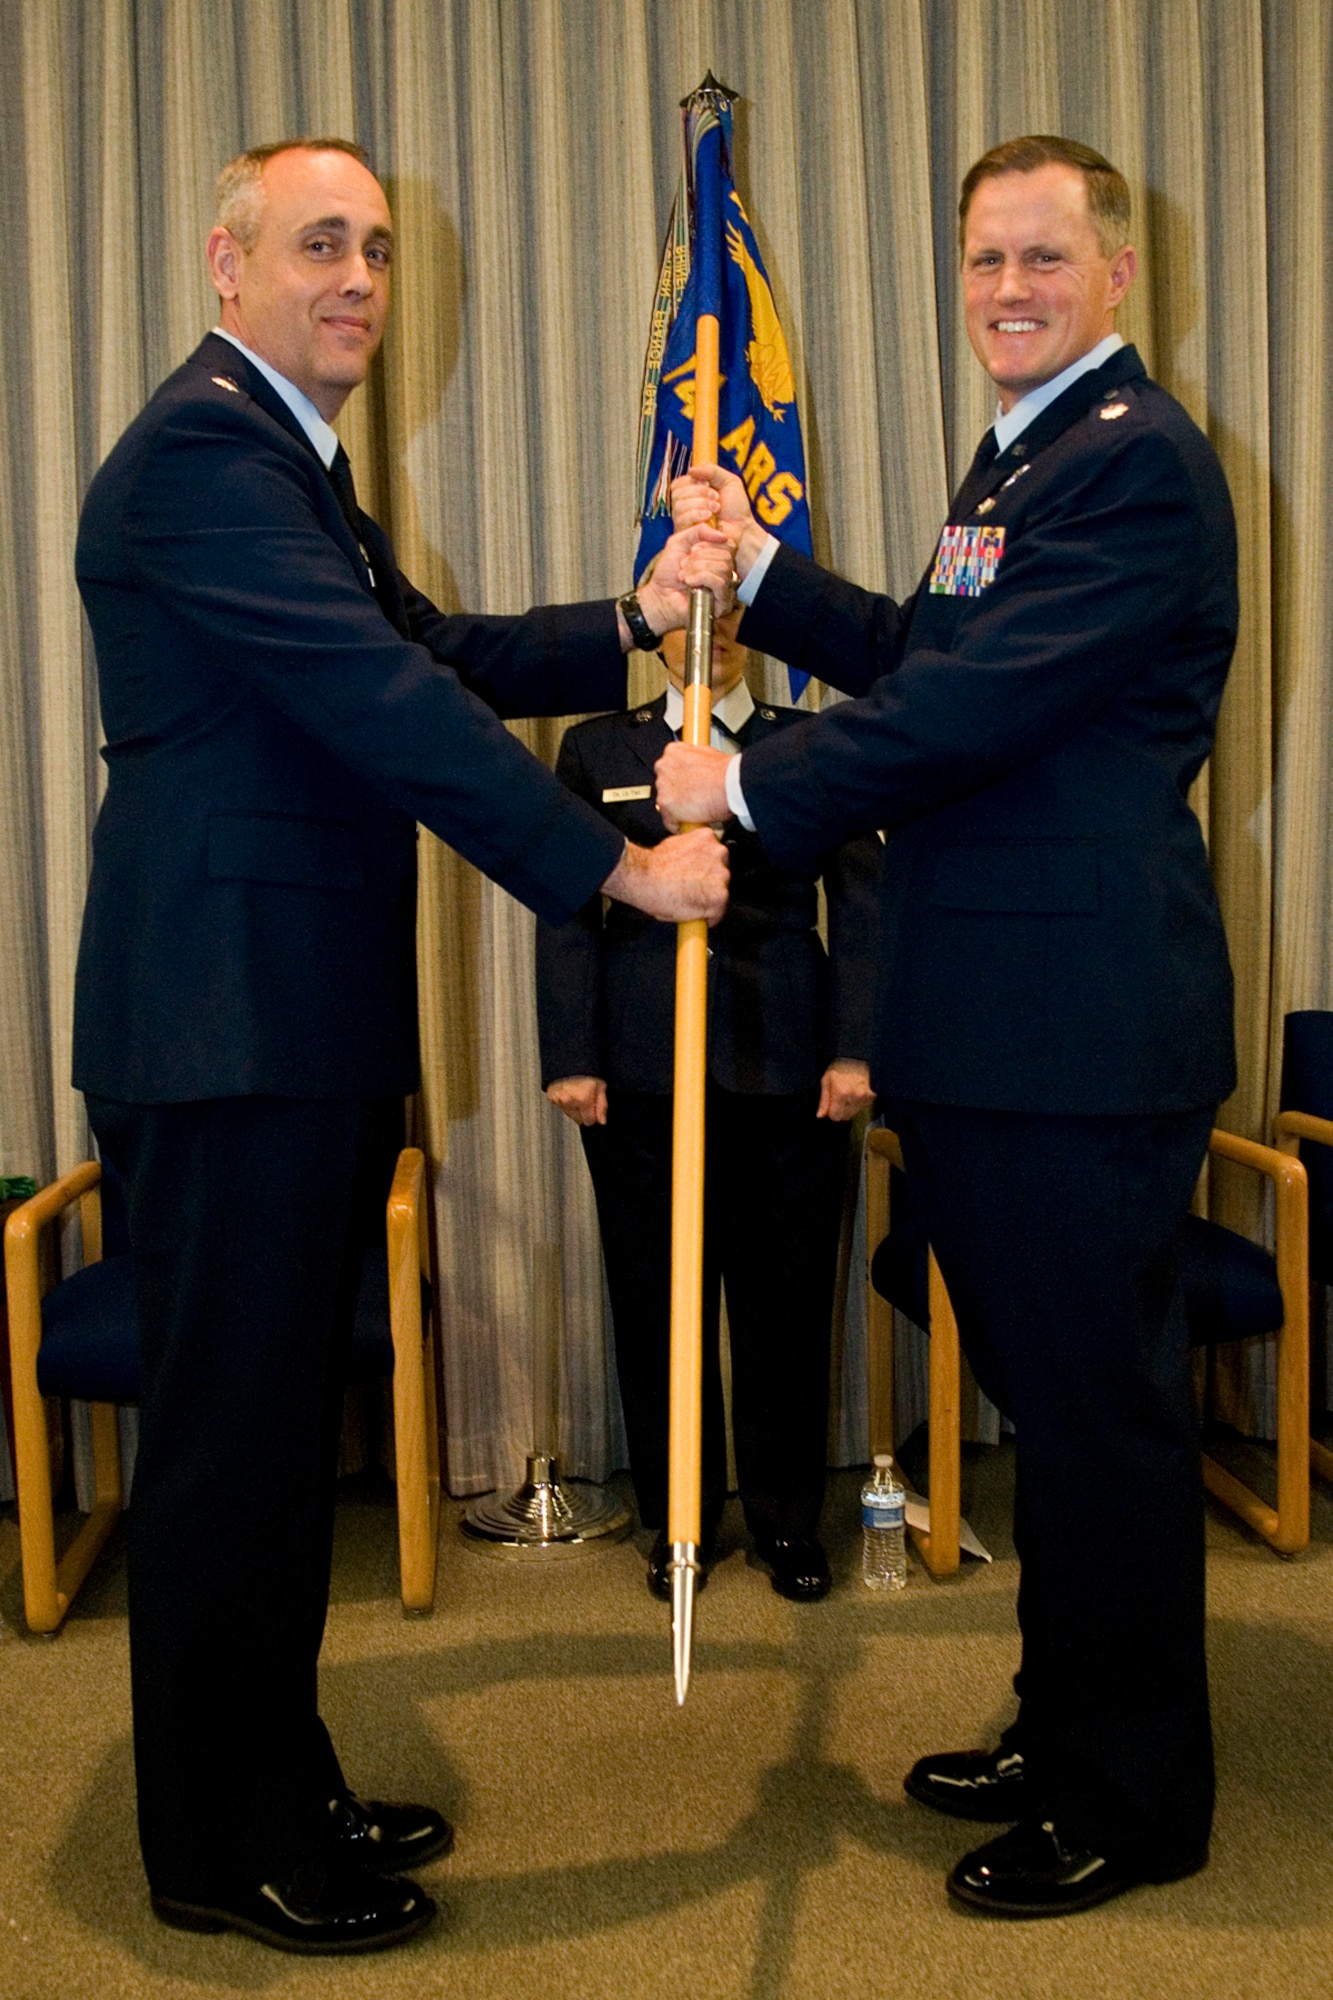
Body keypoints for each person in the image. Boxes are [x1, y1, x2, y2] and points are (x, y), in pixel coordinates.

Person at [73, 136, 732, 1956]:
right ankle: (219, 1847)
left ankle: (277, 1782)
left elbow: (427, 649)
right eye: (316, 245)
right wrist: (612, 871)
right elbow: (384, 709)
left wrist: (641, 617)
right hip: (224, 1026)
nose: (357, 276)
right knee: (229, 1454)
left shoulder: (290, 465)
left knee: (281, 1446)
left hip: (284, 1020)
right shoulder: (208, 454)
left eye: (372, 246)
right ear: (227, 266)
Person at [658, 135, 1237, 1919]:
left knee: (1093, 1424)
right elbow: (932, 654)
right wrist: (762, 573)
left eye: (1042, 261)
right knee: (1049, 1412)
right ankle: (1062, 1719)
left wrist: (744, 788)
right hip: (999, 1025)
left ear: (1115, 277)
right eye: (982, 259)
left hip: (1073, 1033)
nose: (1005, 290)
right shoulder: (1025, 453)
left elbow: (975, 707)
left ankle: (1128, 1797)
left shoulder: (1135, 465)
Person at [536, 602, 880, 1601]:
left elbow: (860, 894)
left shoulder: (809, 743)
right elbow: (566, 899)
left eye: (732, 611)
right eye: (697, 609)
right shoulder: (599, 745)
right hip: (640, 1066)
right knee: (654, 1299)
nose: (713, 626)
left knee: (784, 1300)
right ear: (661, 624)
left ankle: (784, 1521)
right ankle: (678, 1520)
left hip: (787, 1060)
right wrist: (571, 1050)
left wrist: (855, 1044)